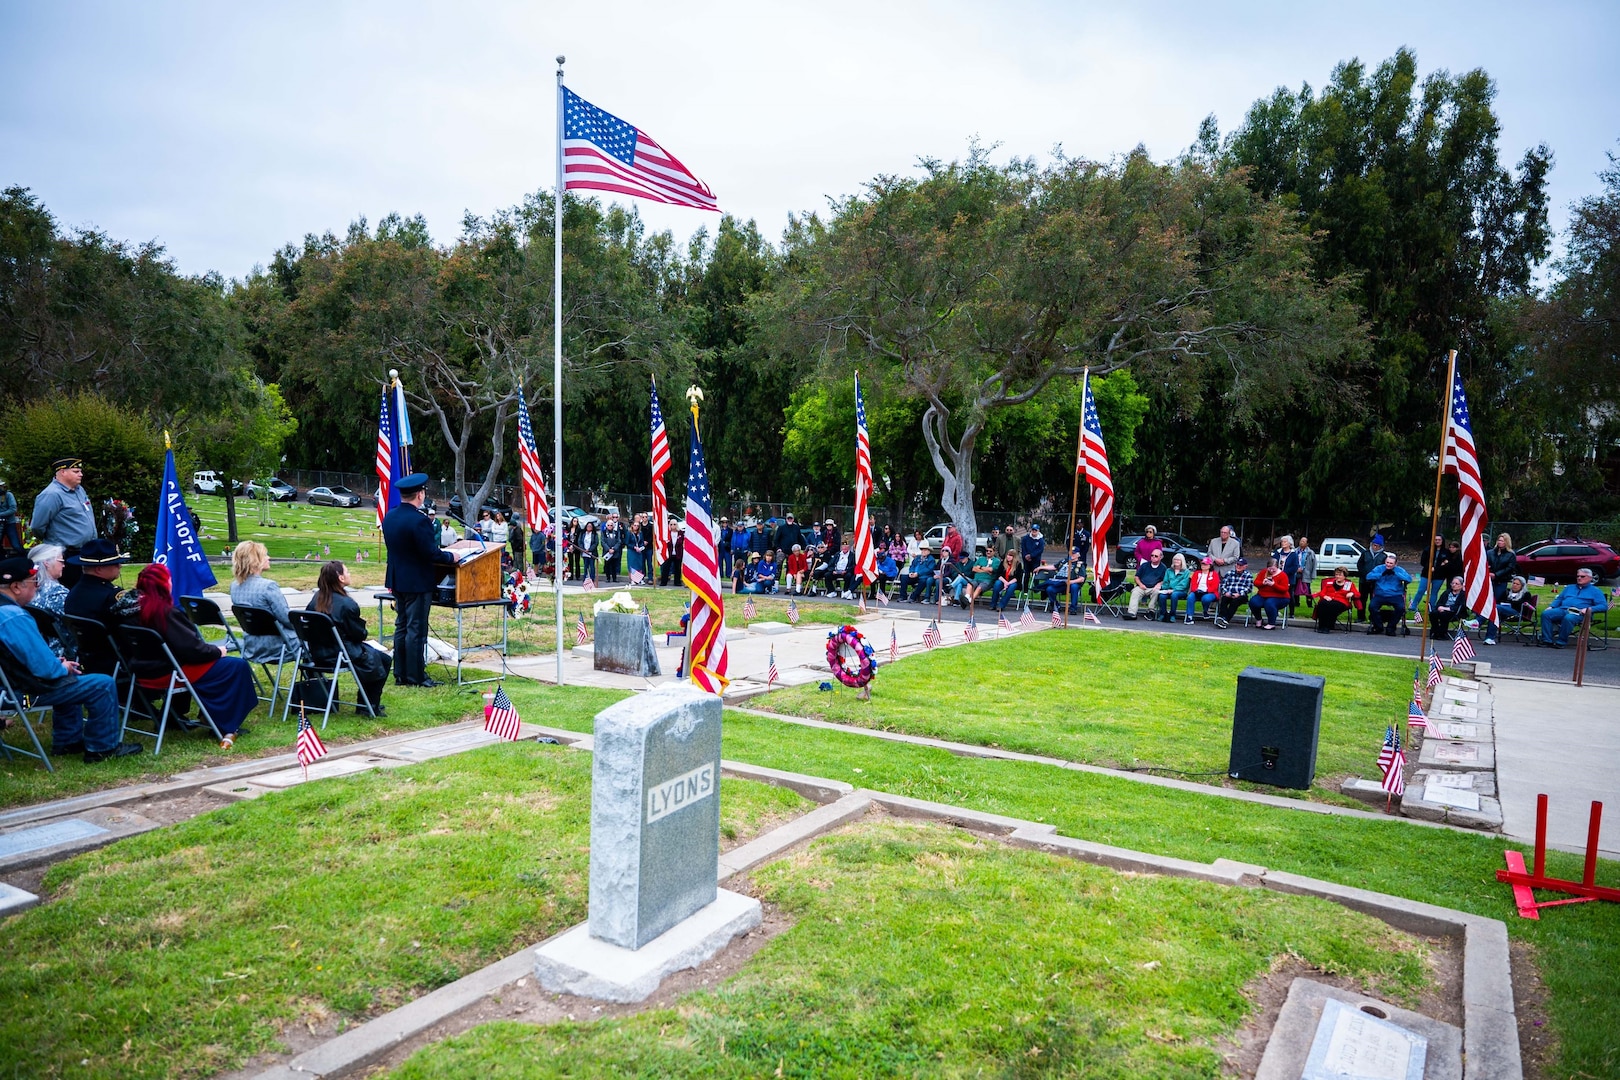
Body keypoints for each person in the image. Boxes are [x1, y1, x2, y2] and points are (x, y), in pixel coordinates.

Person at [0, 556, 140, 762]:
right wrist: (62, 667)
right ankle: (102, 747)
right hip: (16, 692)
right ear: (16, 587)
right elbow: (45, 670)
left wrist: (58, 667)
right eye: (34, 583)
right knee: (102, 683)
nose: (37, 588)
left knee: (69, 679)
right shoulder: (14, 617)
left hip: (8, 685)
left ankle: (68, 741)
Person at [123, 563, 258, 748]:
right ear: (163, 584)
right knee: (236, 666)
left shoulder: (128, 611)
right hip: (169, 671)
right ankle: (223, 722)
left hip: (142, 669)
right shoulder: (163, 612)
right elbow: (193, 650)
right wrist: (217, 651)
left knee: (220, 666)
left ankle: (179, 716)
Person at [382, 473, 457, 688]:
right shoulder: (419, 521)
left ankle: (401, 673)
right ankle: (416, 676)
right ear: (420, 494)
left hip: (398, 579)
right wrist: (452, 556)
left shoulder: (390, 516)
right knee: (416, 629)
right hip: (417, 582)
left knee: (402, 626)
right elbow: (430, 553)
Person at [307, 561, 390, 715]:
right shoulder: (347, 604)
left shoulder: (317, 598)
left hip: (317, 653)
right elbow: (358, 634)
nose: (349, 574)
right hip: (340, 654)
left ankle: (366, 704)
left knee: (375, 657)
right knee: (383, 660)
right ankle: (367, 705)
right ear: (340, 578)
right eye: (347, 571)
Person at [62, 539, 128, 676]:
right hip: (116, 661)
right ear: (99, 569)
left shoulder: (73, 594)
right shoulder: (111, 596)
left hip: (89, 660)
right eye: (115, 564)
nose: (120, 566)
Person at [30, 457, 98, 589]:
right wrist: (54, 541)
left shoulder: (79, 490)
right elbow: (37, 526)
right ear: (62, 472)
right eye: (76, 471)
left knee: (85, 589)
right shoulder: (51, 495)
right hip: (66, 554)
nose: (81, 474)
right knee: (70, 589)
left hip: (84, 552)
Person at [229, 541, 299, 668]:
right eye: (265, 555)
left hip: (252, 645)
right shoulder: (268, 586)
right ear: (255, 561)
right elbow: (287, 619)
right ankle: (315, 683)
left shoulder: (234, 586)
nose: (269, 557)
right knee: (314, 639)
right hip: (278, 646)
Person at [1538, 567, 1610, 648]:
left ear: (1590, 578)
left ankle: (1561, 642)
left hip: (1580, 613)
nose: (1579, 578)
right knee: (1546, 614)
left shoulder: (1595, 591)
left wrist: (1589, 609)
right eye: (1578, 576)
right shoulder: (1569, 587)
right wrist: (1552, 606)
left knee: (1569, 618)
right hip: (1563, 609)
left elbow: (1604, 606)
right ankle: (1547, 640)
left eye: (1582, 576)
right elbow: (1560, 599)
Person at [1364, 552, 1413, 636]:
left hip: (1395, 595)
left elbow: (1409, 579)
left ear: (1395, 564)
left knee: (1400, 608)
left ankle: (1391, 627)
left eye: (1391, 563)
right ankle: (1378, 626)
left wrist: (1396, 574)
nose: (1389, 565)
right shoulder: (1379, 568)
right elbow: (1368, 576)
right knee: (1372, 607)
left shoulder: (1399, 570)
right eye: (1387, 562)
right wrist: (1380, 574)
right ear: (1385, 562)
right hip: (1380, 594)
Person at [1483, 532, 1516, 645]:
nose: (1500, 542)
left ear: (1506, 542)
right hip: (1489, 582)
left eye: (1502, 541)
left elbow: (1509, 568)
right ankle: (1479, 621)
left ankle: (1489, 634)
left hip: (1501, 582)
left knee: (1494, 608)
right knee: (1487, 605)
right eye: (1499, 540)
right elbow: (1486, 563)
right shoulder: (1490, 552)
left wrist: (1496, 574)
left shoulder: (1510, 555)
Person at [1312, 568, 1360, 633]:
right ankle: (1321, 626)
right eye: (1336, 574)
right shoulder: (1329, 583)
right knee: (1322, 604)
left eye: (1340, 575)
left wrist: (1352, 593)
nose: (1337, 576)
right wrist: (1325, 596)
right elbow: (1322, 593)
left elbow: (1357, 594)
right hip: (1328, 599)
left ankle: (1328, 627)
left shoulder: (1349, 584)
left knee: (1333, 606)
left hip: (1342, 602)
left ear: (1344, 576)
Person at [1248, 557, 1291, 629]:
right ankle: (1259, 619)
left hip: (1280, 597)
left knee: (1269, 603)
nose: (1271, 571)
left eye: (1273, 569)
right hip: (1263, 595)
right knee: (1253, 602)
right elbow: (1255, 582)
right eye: (1270, 569)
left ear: (1277, 567)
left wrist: (1273, 585)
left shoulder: (1283, 575)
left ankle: (1271, 623)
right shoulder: (1263, 572)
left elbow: (1284, 589)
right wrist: (1263, 583)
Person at [1126, 548, 1167, 620]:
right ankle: (1131, 613)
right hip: (1142, 586)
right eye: (1152, 555)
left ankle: (1150, 611)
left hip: (1153, 588)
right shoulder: (1144, 565)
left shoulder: (1163, 568)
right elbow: (1136, 577)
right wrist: (1140, 584)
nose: (1153, 557)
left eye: (1156, 556)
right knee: (1135, 592)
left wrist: (1159, 584)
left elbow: (1165, 580)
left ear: (1161, 557)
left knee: (1157, 592)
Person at [27, 544, 68, 614]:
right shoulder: (58, 593)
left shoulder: (23, 588)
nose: (63, 565)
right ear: (47, 563)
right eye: (61, 561)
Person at [1042, 548, 1086, 614]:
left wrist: (1071, 582)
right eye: (1070, 552)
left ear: (1078, 555)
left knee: (1074, 587)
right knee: (1049, 589)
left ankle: (1073, 608)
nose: (1071, 554)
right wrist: (1040, 567)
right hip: (1060, 583)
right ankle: (1056, 606)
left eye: (1073, 553)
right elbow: (1054, 567)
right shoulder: (1064, 561)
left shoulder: (1080, 565)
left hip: (1071, 584)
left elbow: (1081, 578)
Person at [1356, 534, 1388, 618]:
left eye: (1378, 546)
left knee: (1374, 600)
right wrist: (1365, 575)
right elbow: (1360, 565)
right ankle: (1361, 617)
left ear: (1381, 547)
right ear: (1371, 545)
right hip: (1364, 580)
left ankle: (1373, 617)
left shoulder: (1384, 556)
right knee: (1362, 599)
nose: (1375, 547)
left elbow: (1384, 569)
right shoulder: (1365, 553)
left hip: (1376, 582)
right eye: (1374, 545)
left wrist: (1375, 577)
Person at [1216, 557, 1254, 627]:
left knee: (1235, 601)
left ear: (1245, 566)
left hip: (1241, 595)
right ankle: (1221, 617)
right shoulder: (1229, 573)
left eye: (1241, 565)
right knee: (1224, 599)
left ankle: (1226, 619)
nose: (1238, 567)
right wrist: (1225, 592)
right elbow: (1223, 585)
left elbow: (1249, 588)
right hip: (1229, 593)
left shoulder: (1248, 575)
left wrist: (1239, 594)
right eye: (1237, 565)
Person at [1429, 576, 1469, 641]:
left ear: (1461, 586)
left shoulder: (1463, 595)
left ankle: (1442, 634)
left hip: (1455, 613)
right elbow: (1439, 603)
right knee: (1433, 614)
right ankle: (1435, 631)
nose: (1454, 585)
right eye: (1452, 583)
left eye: (1456, 584)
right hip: (1442, 610)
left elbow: (1460, 607)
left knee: (1444, 615)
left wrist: (1446, 609)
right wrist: (1440, 607)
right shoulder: (1447, 593)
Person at [1158, 553, 1192, 622]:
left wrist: (1173, 590)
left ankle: (1172, 615)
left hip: (1181, 591)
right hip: (1168, 590)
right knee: (1161, 596)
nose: (1176, 561)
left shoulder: (1186, 572)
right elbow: (1166, 582)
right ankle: (1163, 614)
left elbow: (1183, 585)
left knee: (1174, 595)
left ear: (1182, 561)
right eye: (1175, 560)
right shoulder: (1168, 570)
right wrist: (1165, 588)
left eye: (1178, 560)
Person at [1293, 536, 1317, 615]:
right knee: (1295, 588)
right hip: (1296, 573)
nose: (1301, 542)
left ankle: (1309, 604)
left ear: (1307, 543)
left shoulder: (1310, 552)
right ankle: (1296, 603)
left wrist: (1313, 575)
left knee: (1307, 589)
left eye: (1303, 541)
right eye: (1301, 541)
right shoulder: (1295, 551)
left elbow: (1314, 565)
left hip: (1306, 573)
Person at [1019, 525, 1045, 590]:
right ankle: (1025, 589)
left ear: (1038, 531)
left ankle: (1036, 588)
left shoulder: (1041, 540)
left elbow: (1040, 550)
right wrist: (1026, 556)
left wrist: (1031, 555)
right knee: (1026, 574)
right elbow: (1023, 547)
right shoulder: (1026, 538)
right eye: (1033, 530)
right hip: (1026, 560)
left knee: (1035, 574)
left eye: (1035, 530)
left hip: (1035, 560)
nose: (1034, 531)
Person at [0, 480, 22, 556]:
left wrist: (1, 514)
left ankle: (25, 560)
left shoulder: (8, 495)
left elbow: (13, 509)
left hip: (9, 523)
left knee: (16, 545)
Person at [600, 515, 623, 583]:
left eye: (611, 525)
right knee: (607, 565)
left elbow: (619, 541)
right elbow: (602, 541)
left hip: (614, 552)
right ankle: (608, 578)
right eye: (608, 525)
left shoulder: (616, 532)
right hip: (607, 552)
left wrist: (614, 549)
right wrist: (608, 549)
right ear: (606, 526)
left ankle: (614, 578)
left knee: (614, 566)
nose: (610, 526)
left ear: (613, 526)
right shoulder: (603, 532)